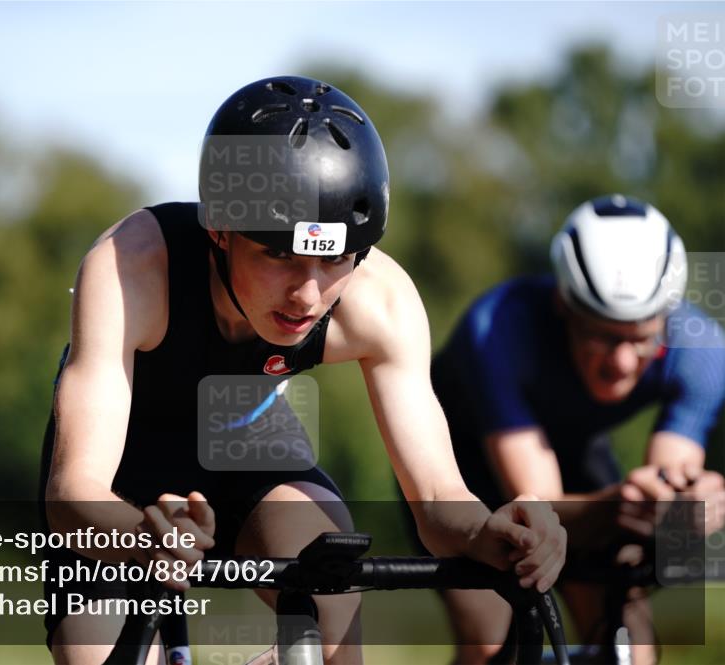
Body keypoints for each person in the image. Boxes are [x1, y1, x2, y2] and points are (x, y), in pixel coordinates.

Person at [38, 76, 566, 665]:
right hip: (122, 479)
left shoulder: (380, 300)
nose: (308, 296)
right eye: (279, 254)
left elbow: (440, 496)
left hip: (249, 437)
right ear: (219, 226)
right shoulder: (131, 268)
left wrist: (487, 533)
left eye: (335, 258)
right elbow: (73, 492)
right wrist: (143, 537)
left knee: (328, 592)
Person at [418, 194, 725, 664]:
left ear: (666, 318)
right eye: (602, 334)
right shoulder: (498, 329)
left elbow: (665, 482)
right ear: (564, 304)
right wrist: (620, 508)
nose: (622, 362)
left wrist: (683, 509)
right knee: (492, 645)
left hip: (576, 458)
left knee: (631, 650)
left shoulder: (700, 350)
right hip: (457, 472)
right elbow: (537, 509)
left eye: (641, 339)